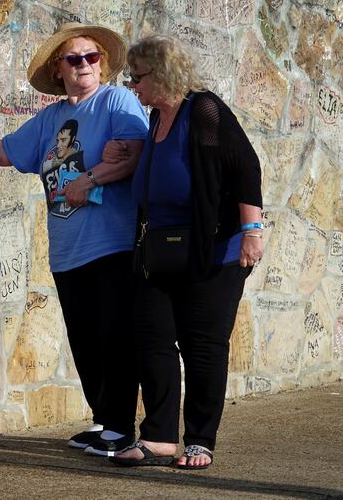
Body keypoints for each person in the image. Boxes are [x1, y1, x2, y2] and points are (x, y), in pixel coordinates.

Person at [0, 23, 149, 456]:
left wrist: (89, 179)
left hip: (112, 244)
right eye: (75, 59)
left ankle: (121, 428)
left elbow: (133, 154)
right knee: (85, 339)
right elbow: (9, 152)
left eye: (92, 57)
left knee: (114, 336)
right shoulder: (50, 119)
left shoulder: (115, 101)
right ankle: (104, 421)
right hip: (68, 251)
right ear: (58, 69)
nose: (85, 65)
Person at [105, 34, 264, 469]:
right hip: (158, 249)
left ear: (162, 73)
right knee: (152, 336)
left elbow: (245, 166)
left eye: (138, 78)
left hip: (212, 250)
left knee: (203, 344)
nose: (133, 87)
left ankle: (200, 438)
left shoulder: (205, 110)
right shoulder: (156, 118)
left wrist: (253, 229)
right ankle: (157, 436)